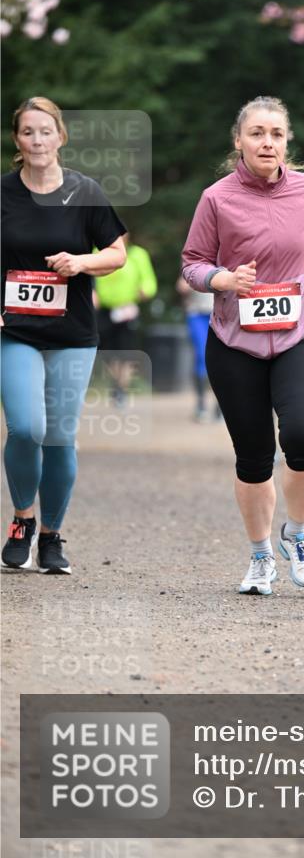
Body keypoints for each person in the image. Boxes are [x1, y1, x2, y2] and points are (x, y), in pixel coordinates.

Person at [181, 95, 304, 595]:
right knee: (253, 456)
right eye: (257, 133)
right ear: (239, 142)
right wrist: (224, 279)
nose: (267, 142)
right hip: (234, 343)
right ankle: (260, 556)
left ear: (286, 141)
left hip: (299, 335)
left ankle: (298, 533)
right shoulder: (216, 198)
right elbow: (192, 263)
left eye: (276, 134)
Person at [1, 96, 126, 574]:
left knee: (59, 437)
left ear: (60, 137)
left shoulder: (85, 191)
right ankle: (21, 519)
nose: (37, 140)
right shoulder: (3, 193)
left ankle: (52, 536)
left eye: (45, 131)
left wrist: (81, 263)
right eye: (28, 132)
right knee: (27, 427)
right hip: (15, 329)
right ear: (18, 140)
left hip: (72, 332)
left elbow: (116, 253)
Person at [95, 232, 157, 407]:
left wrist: (145, 290)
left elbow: (149, 281)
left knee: (126, 351)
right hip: (105, 309)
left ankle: (121, 389)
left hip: (127, 309)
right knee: (107, 351)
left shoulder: (138, 254)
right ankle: (116, 383)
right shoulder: (97, 252)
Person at [175, 276, 223, 422]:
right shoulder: (195, 253)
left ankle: (220, 406)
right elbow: (182, 284)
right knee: (202, 355)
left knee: (222, 359)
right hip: (196, 313)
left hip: (221, 313)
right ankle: (201, 404)